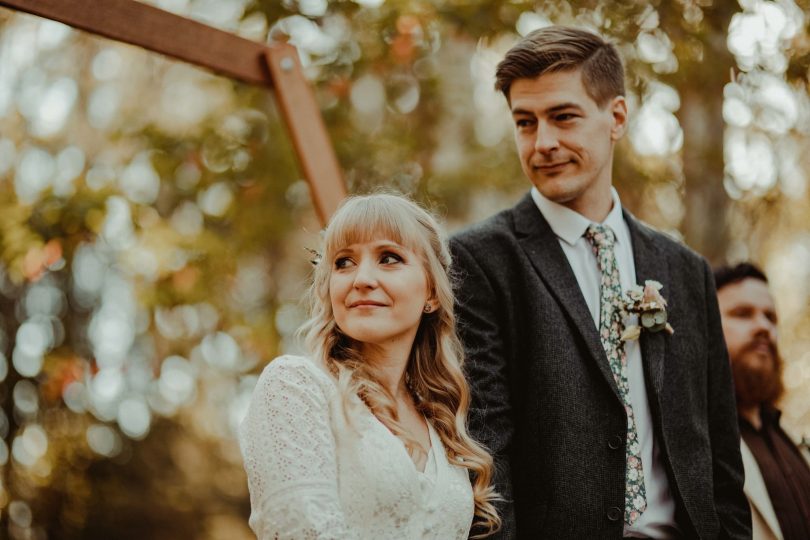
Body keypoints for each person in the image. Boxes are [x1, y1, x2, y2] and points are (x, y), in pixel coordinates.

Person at [449, 26, 750, 538]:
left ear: (616, 118)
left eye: (563, 117)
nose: (543, 143)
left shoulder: (685, 271)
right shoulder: (479, 261)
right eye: (525, 123)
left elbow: (720, 453)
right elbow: (484, 451)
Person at [239, 193, 500, 539]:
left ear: (432, 293)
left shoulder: (441, 422)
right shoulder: (296, 387)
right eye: (343, 262)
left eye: (389, 258)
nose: (361, 278)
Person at [714, 262, 810, 540]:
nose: (763, 327)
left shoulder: (792, 442)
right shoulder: (693, 443)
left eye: (771, 317)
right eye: (742, 314)